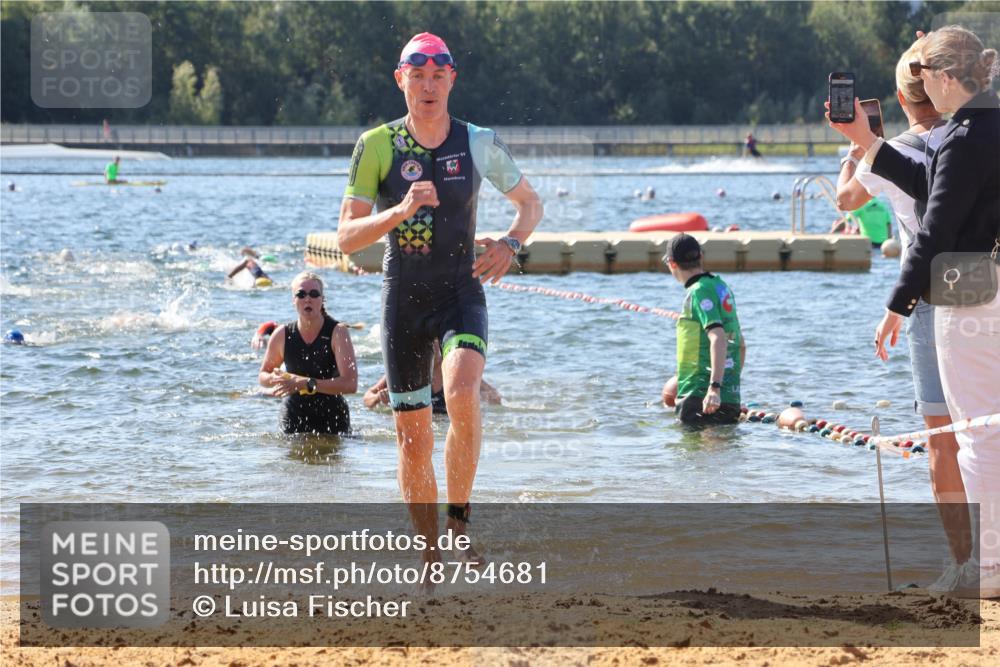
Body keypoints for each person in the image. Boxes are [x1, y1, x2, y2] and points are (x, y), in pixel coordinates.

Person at [337, 32, 542, 567]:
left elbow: (530, 204)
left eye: (438, 77)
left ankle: (459, 522)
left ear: (452, 80)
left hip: (460, 292)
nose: (428, 87)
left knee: (462, 390)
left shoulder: (477, 141)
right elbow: (346, 237)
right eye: (417, 76)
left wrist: (511, 242)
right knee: (412, 439)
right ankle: (428, 552)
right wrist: (400, 211)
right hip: (403, 297)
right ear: (400, 79)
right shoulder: (376, 144)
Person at [828, 25, 999, 598]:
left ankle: (985, 569)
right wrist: (868, 144)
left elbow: (934, 229)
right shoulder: (976, 127)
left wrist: (897, 307)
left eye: (930, 76)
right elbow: (930, 181)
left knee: (969, 436)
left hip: (964, 291)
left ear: (946, 79)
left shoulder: (963, 135)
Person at [662, 234, 746, 426]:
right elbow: (740, 343)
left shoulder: (698, 291)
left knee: (691, 454)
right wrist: (726, 386)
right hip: (729, 397)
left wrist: (714, 387)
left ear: (672, 264)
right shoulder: (721, 286)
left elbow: (718, 337)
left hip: (699, 395)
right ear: (700, 256)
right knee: (721, 453)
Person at [259, 272, 357, 434]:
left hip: (332, 416)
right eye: (301, 294)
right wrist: (274, 378)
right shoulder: (282, 334)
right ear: (293, 300)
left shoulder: (337, 332)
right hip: (293, 414)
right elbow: (263, 376)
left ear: (322, 299)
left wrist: (305, 383)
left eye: (314, 294)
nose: (307, 299)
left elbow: (350, 384)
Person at [364, 340, 502, 412]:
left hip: (445, 425)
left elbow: (495, 397)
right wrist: (378, 398)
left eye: (435, 344)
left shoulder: (454, 370)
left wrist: (478, 398)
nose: (431, 349)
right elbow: (366, 398)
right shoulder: (406, 370)